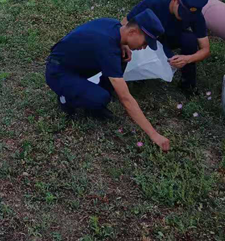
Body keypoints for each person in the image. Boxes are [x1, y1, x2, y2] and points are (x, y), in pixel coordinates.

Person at [45, 10, 171, 152]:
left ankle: (92, 95)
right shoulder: (106, 46)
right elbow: (126, 99)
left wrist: (123, 45)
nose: (145, 47)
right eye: (146, 42)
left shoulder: (113, 25)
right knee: (100, 98)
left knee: (122, 56)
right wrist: (154, 135)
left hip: (74, 65)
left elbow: (106, 41)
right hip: (58, 72)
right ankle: (65, 99)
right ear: (133, 32)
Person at [123, 0, 210, 95]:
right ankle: (137, 75)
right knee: (136, 41)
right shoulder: (155, 3)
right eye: (182, 14)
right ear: (175, 0)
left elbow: (205, 49)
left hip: (171, 38)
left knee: (190, 40)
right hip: (149, 40)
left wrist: (187, 59)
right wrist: (125, 46)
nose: (184, 18)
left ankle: (187, 85)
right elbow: (125, 23)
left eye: (189, 17)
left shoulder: (196, 16)